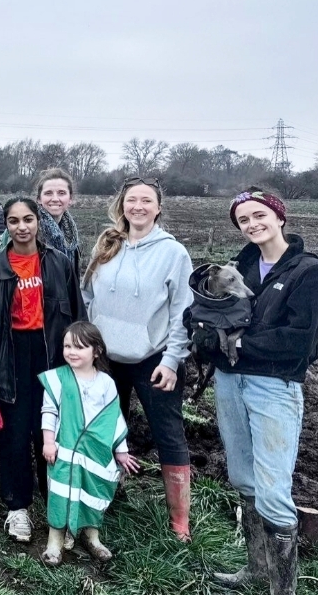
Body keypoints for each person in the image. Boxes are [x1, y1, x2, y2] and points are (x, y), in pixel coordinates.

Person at [200, 189, 318, 594]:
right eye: (243, 220)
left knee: (274, 490)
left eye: (259, 215)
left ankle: (284, 589)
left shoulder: (310, 273)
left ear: (279, 217)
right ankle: (257, 571)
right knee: (243, 478)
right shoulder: (240, 266)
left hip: (274, 387)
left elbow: (298, 340)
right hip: (229, 382)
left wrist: (237, 344)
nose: (252, 224)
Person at [81, 177, 194, 542]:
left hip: (152, 359)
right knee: (107, 429)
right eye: (132, 200)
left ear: (158, 208)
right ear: (122, 205)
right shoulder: (107, 244)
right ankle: (107, 496)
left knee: (168, 433)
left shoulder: (173, 253)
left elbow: (183, 312)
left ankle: (179, 520)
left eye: (147, 200)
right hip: (106, 359)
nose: (139, 207)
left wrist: (173, 359)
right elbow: (87, 297)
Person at [0, 197, 84, 543]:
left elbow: (77, 316)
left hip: (51, 354)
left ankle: (59, 509)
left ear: (39, 222)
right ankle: (17, 508)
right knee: (15, 433)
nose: (22, 227)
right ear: (6, 226)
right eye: (13, 221)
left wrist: (81, 364)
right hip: (12, 355)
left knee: (53, 433)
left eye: (28, 220)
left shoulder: (60, 263)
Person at [39, 321, 140, 567]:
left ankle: (91, 536)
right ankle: (55, 542)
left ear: (96, 351)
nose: (72, 352)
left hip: (95, 454)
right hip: (65, 452)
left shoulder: (106, 383)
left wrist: (121, 451)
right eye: (67, 346)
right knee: (61, 495)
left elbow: (113, 418)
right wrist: (48, 441)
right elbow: (49, 411)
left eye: (79, 347)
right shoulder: (58, 379)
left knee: (92, 494)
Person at [0, 169, 81, 274]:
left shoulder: (71, 237)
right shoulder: (26, 229)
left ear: (70, 198)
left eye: (61, 193)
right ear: (39, 199)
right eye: (48, 193)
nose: (55, 199)